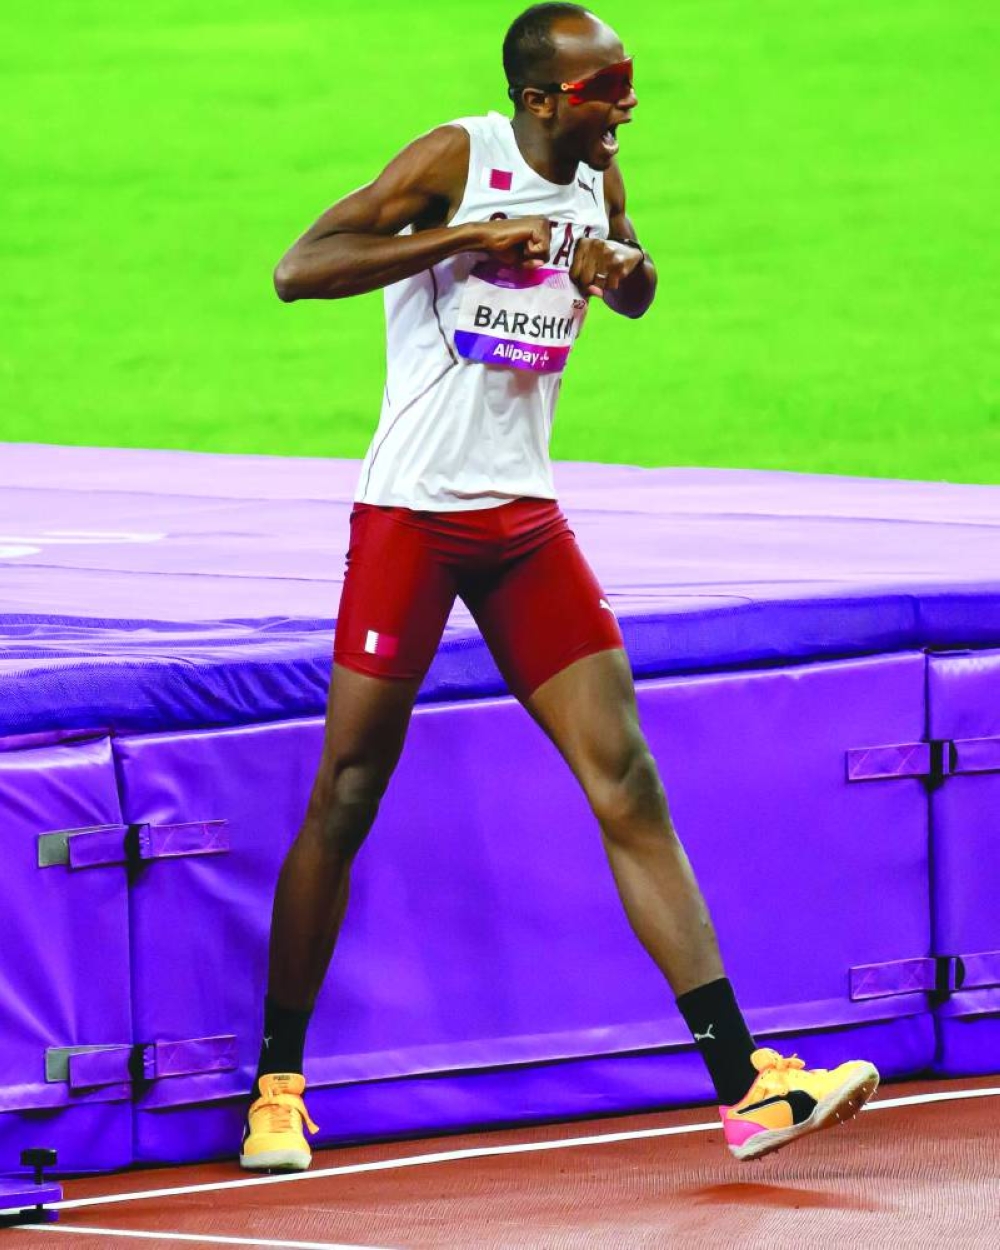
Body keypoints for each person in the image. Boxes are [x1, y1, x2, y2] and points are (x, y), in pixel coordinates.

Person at [241, 3, 879, 1172]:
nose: (626, 104)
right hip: (414, 521)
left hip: (524, 523)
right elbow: (300, 268)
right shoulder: (454, 157)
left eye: (628, 84)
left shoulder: (597, 172)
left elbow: (631, 287)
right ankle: (276, 1088)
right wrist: (461, 240)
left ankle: (743, 1083)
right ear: (541, 100)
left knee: (625, 775)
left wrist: (612, 264)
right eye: (606, 89)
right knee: (346, 788)